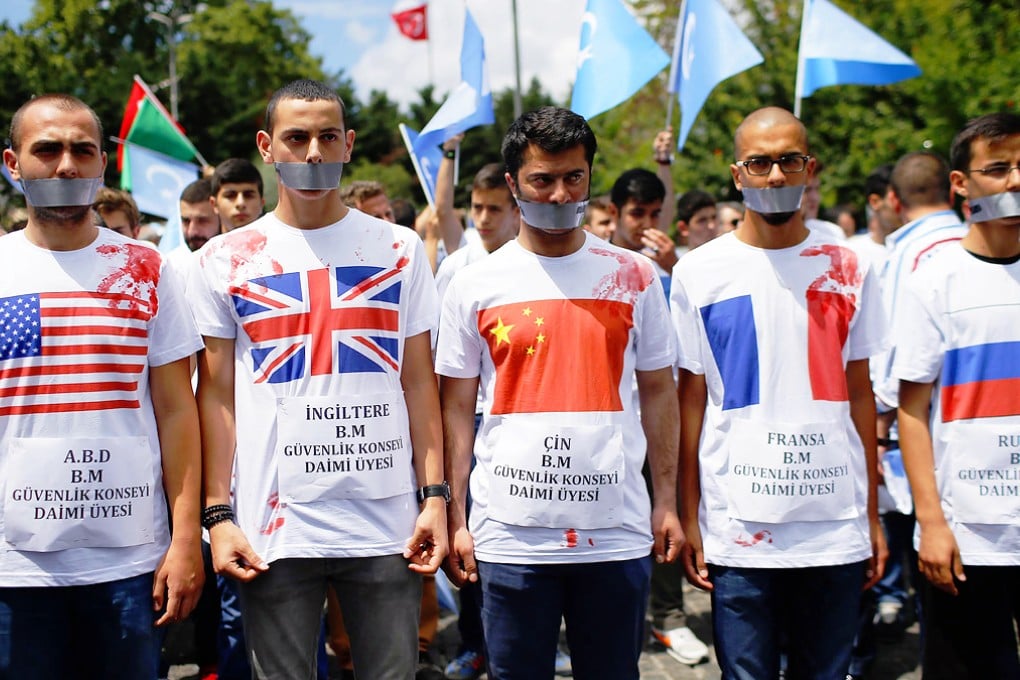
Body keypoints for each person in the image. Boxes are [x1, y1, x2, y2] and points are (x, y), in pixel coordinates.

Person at [188, 79, 447, 679]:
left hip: (387, 526)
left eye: (327, 137)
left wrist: (434, 497)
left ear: (349, 143)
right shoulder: (223, 260)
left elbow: (418, 384)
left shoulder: (400, 248)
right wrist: (217, 514)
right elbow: (216, 396)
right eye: (296, 137)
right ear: (267, 146)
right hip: (273, 528)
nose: (313, 153)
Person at [437, 106, 683, 679]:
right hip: (510, 538)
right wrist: (455, 514)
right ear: (512, 184)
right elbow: (454, 408)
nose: (558, 193)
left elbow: (659, 392)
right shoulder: (473, 283)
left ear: (590, 176)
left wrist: (666, 499)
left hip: (616, 533)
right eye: (541, 180)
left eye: (573, 177)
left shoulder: (636, 277)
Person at [671, 106, 888, 679]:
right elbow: (690, 402)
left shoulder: (849, 266)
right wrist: (689, 513)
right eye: (760, 163)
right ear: (737, 174)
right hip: (739, 528)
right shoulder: (700, 272)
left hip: (833, 524)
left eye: (789, 161)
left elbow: (860, 395)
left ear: (808, 168)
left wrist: (871, 513)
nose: (775, 177)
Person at [0, 93, 203, 677]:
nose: (66, 165)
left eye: (82, 150)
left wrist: (186, 536)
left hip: (129, 566)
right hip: (17, 570)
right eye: (48, 150)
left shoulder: (147, 268)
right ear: (13, 163)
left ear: (102, 164)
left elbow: (176, 411)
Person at [894, 112, 1020, 679]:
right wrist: (934, 524)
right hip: (970, 538)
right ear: (961, 185)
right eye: (997, 169)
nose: (1015, 181)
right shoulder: (933, 281)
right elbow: (912, 412)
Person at [211, 158, 264, 231]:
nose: (240, 203)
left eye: (248, 195)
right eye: (230, 195)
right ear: (214, 204)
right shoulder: (208, 243)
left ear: (262, 203)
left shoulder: (281, 242)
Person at [675, 189, 720, 254]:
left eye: (714, 217)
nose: (711, 226)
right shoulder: (676, 262)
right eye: (702, 220)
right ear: (683, 228)